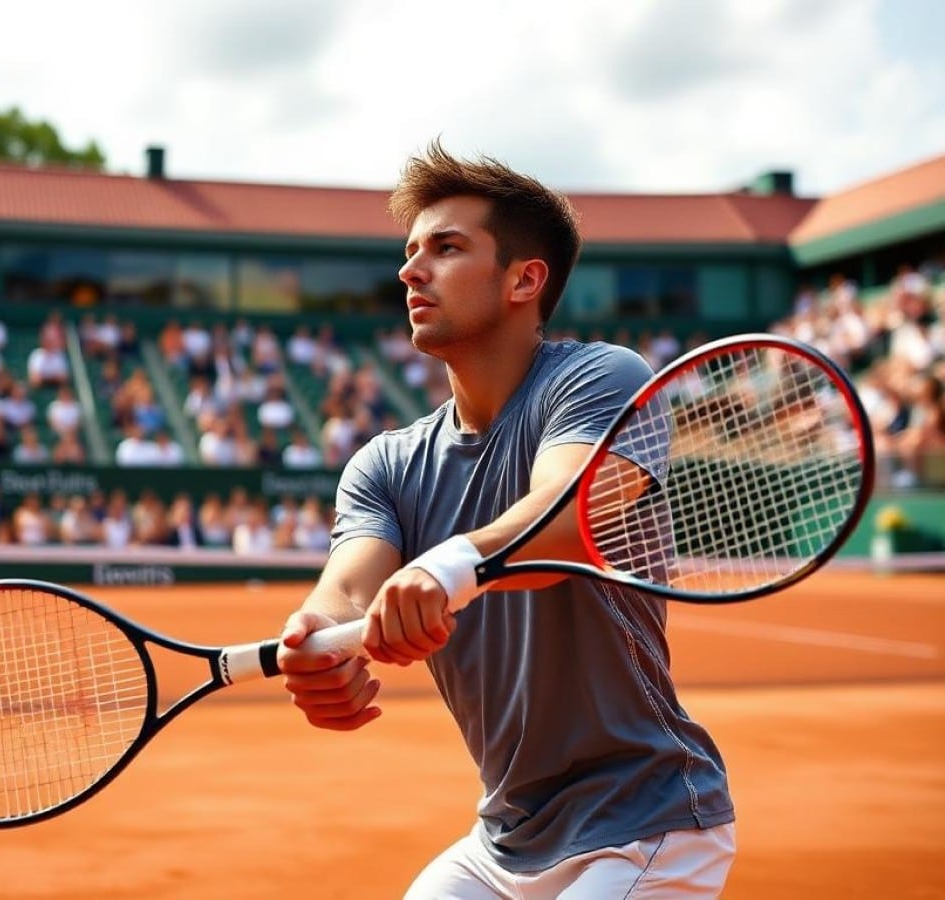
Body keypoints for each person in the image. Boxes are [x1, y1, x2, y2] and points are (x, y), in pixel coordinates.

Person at [276, 142, 735, 899]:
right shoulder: (384, 464)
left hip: (647, 823)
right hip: (504, 837)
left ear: (525, 278)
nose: (411, 270)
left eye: (446, 248)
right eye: (410, 251)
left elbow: (569, 518)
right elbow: (348, 592)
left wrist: (444, 566)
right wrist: (317, 640)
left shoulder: (601, 376)